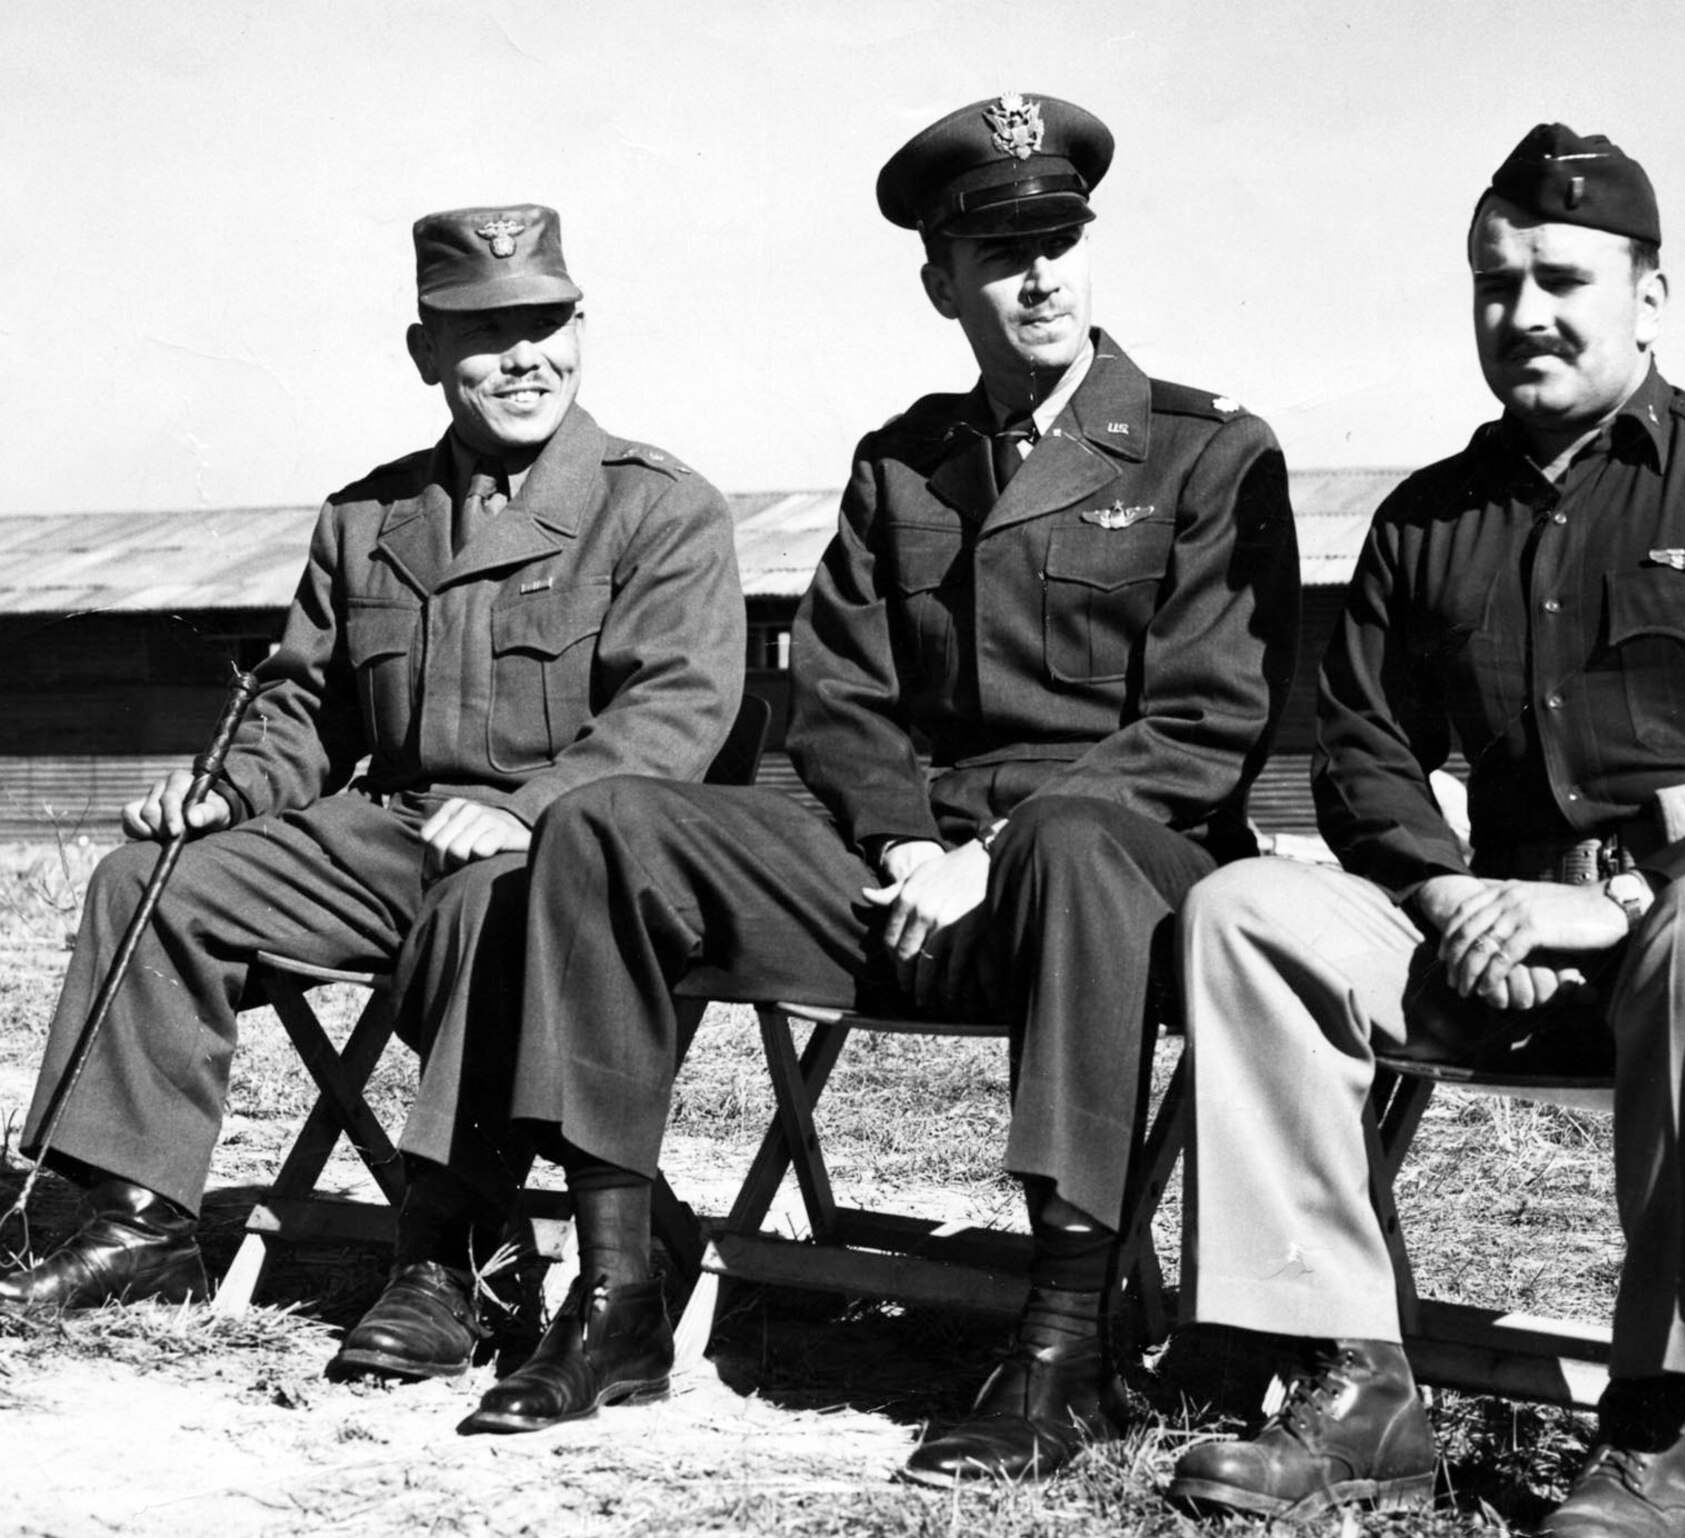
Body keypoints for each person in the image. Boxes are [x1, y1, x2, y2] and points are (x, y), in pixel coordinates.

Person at [423, 94, 1299, 1465]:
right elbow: (840, 702)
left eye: (1062, 238)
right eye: (1004, 252)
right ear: (942, 279)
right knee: (604, 822)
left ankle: (1064, 1344)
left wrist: (988, 855)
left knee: (1066, 837)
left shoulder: (1207, 451)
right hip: (905, 884)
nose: (1044, 275)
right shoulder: (904, 465)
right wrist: (901, 847)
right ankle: (617, 1293)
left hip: (1118, 882)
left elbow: (1203, 724)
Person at [1165, 124, 1685, 1535]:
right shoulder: (1431, 518)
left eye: (1563, 277)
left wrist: (1631, 896)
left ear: (1652, 294)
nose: (1525, 314)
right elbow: (1366, 751)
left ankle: (1661, 1422)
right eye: (1496, 285)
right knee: (1244, 913)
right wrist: (1444, 896)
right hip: (1495, 940)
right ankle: (1354, 1380)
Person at [1, 206, 746, 1374]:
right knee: (152, 878)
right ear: (425, 352)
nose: (523, 357)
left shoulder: (657, 506)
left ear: (581, 329)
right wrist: (225, 795)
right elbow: (305, 705)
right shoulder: (367, 516)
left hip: (567, 855)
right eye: (484, 333)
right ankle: (137, 1218)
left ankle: (456, 1260)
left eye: (545, 324)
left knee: (482, 897)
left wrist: (527, 803)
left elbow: (676, 712)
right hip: (390, 835)